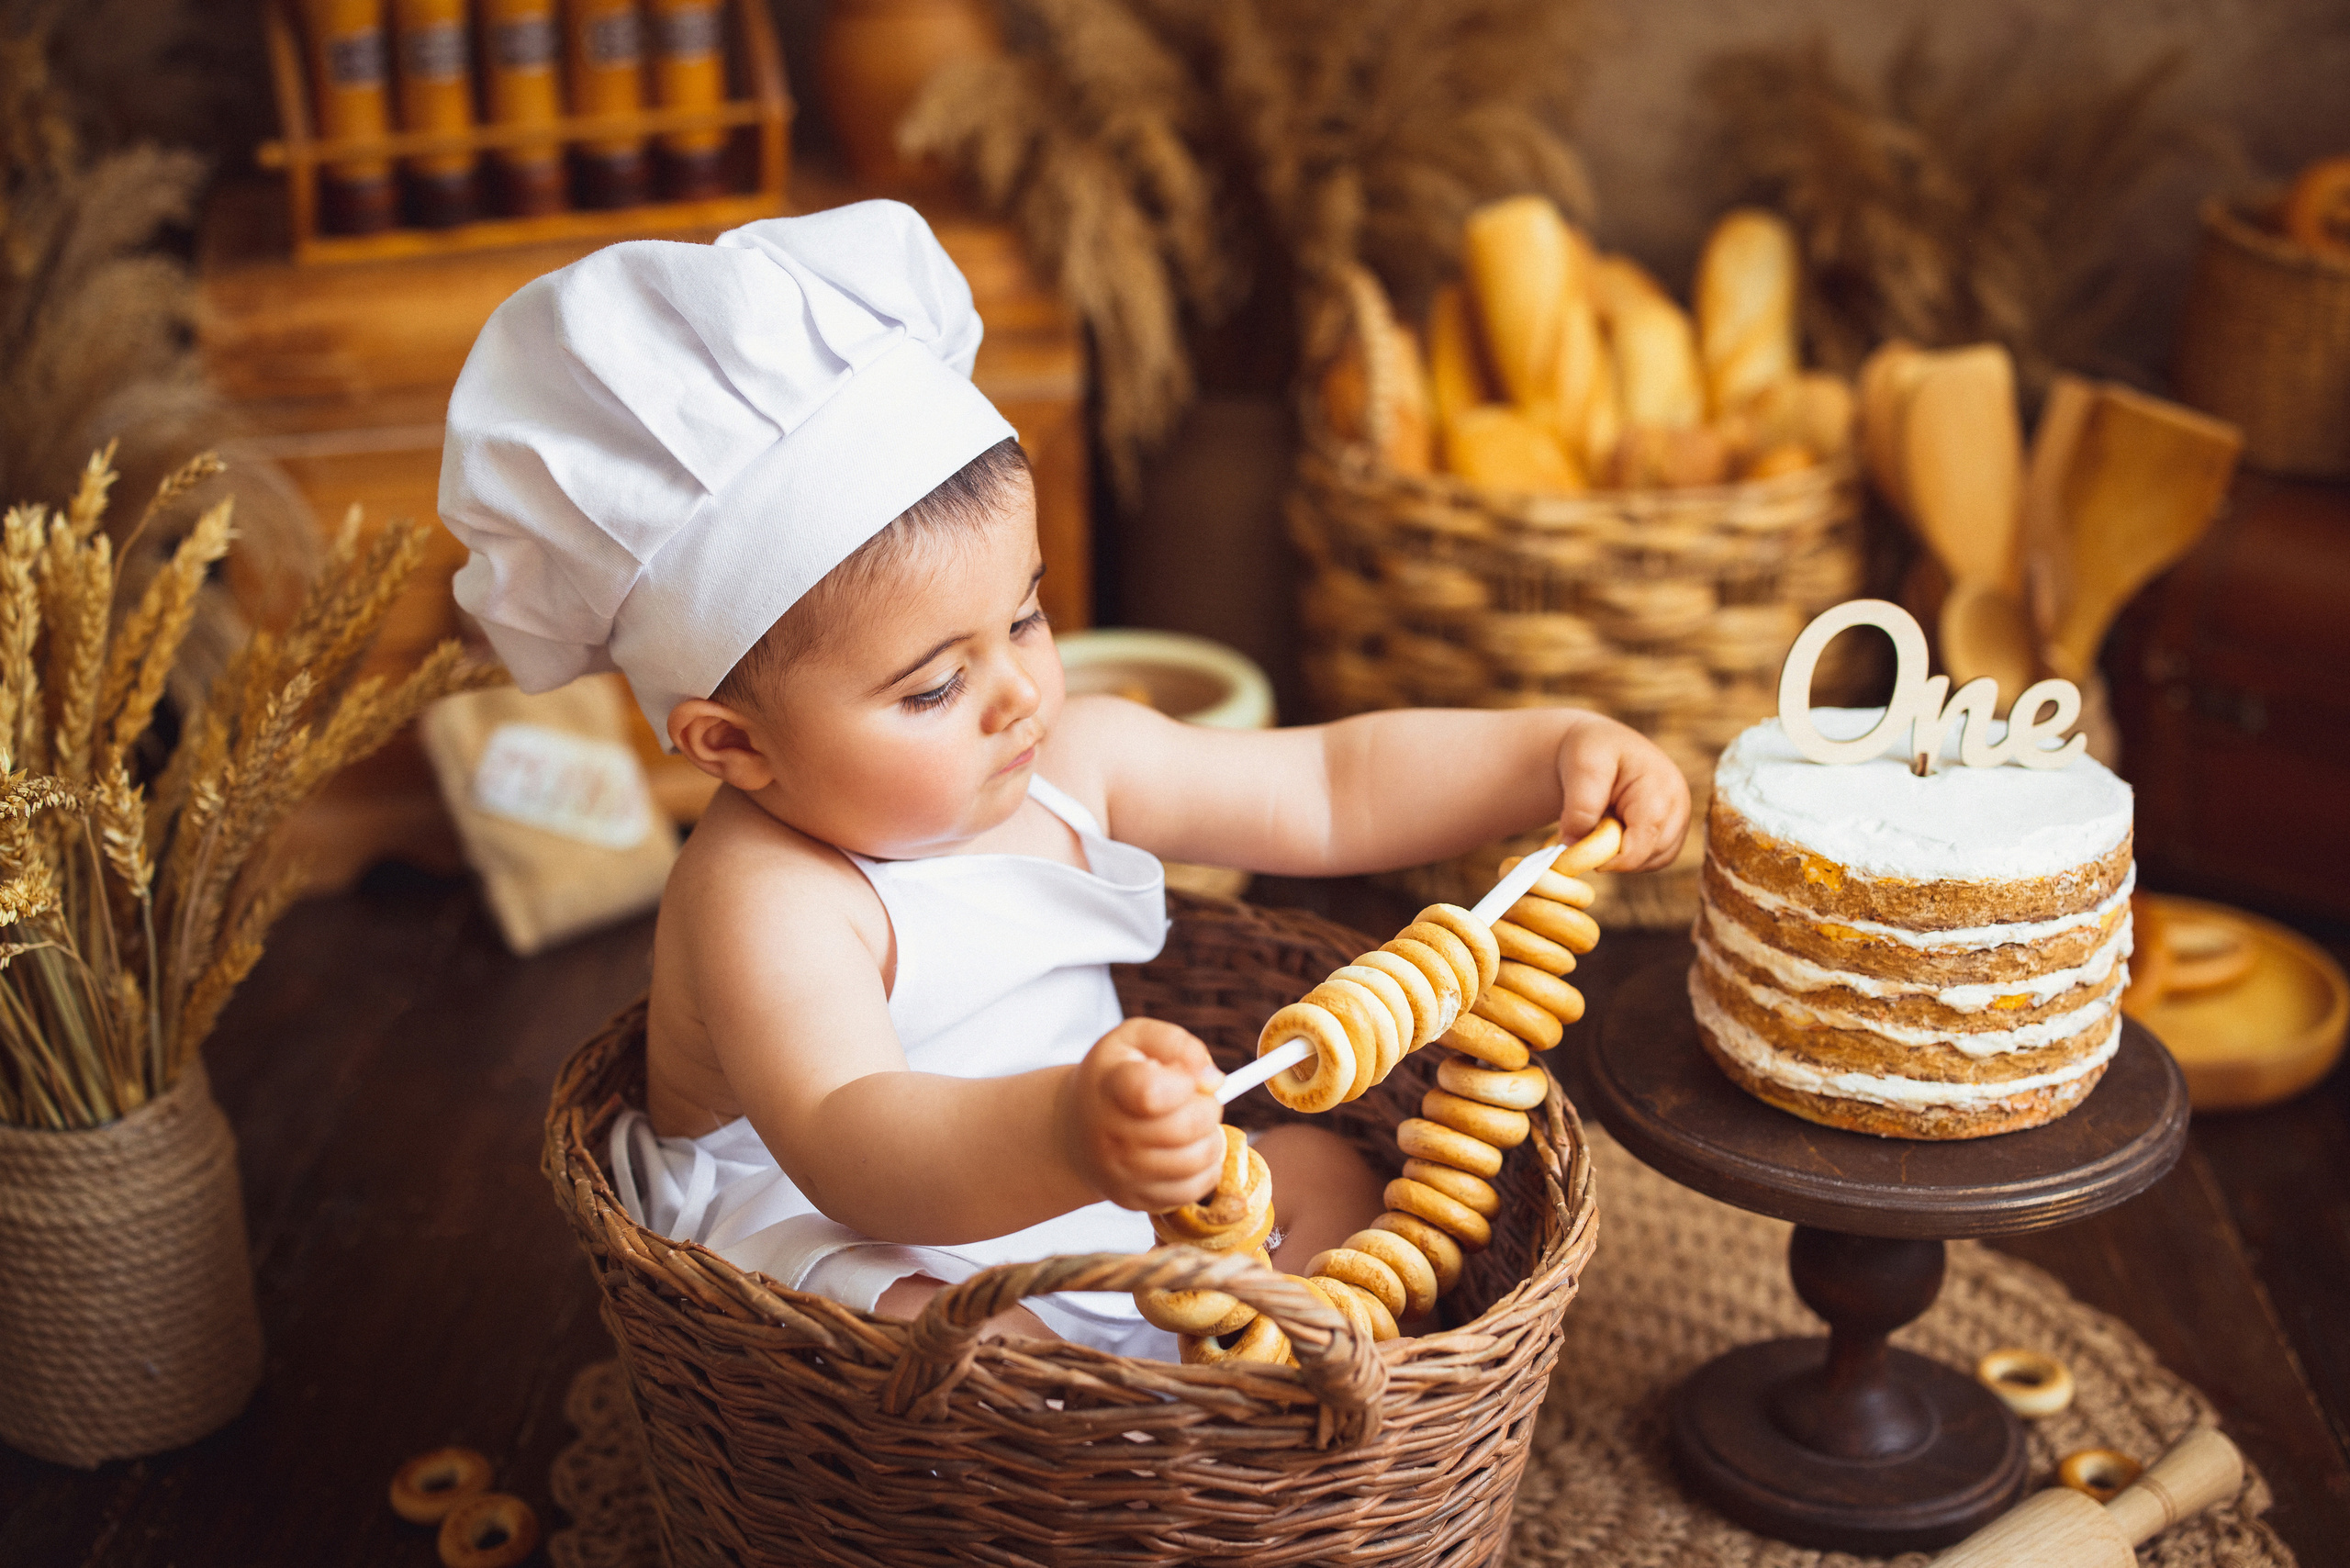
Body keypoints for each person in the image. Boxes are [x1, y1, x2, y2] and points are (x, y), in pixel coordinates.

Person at [441, 201, 1689, 1359]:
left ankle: (1235, 1406)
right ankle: (1121, 1446)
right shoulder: (765, 893)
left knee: (1318, 1167)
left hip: (1099, 1197)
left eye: (1028, 620)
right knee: (927, 1336)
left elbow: (1331, 784)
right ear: (736, 746)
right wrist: (1068, 1135)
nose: (1018, 696)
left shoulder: (1065, 759)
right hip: (871, 1231)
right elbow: (855, 1140)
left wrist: (1544, 755)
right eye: (932, 688)